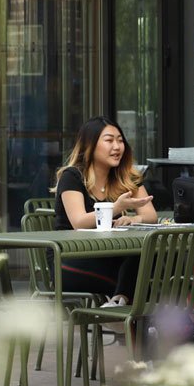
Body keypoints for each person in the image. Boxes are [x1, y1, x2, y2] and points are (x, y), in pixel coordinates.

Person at [52, 116, 157, 304]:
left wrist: (133, 220)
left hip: (107, 256)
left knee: (148, 257)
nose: (117, 147)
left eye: (120, 140)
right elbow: (79, 222)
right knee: (141, 281)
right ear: (89, 145)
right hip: (69, 259)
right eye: (109, 140)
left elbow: (150, 215)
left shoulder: (126, 176)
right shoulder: (72, 176)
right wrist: (116, 207)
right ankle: (122, 314)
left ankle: (119, 308)